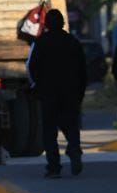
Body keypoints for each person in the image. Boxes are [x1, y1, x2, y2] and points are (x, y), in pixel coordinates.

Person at [27, 9, 87, 179]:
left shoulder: (40, 43)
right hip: (70, 92)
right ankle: (74, 149)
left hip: (49, 93)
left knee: (49, 130)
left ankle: (54, 167)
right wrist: (80, 92)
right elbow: (82, 70)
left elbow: (32, 67)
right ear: (62, 23)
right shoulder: (73, 42)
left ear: (46, 24)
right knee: (71, 125)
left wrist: (37, 87)